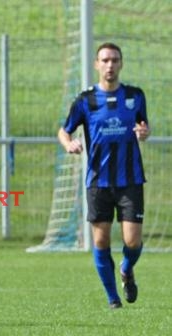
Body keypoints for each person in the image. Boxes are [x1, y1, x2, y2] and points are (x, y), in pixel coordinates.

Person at [58, 42, 150, 309]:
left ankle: (126, 268)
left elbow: (144, 126)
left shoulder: (135, 96)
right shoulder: (85, 100)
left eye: (114, 60)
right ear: (97, 64)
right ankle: (113, 299)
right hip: (98, 181)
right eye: (105, 60)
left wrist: (145, 132)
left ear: (121, 64)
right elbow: (64, 130)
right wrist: (69, 144)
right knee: (100, 240)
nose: (110, 65)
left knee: (132, 241)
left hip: (130, 180)